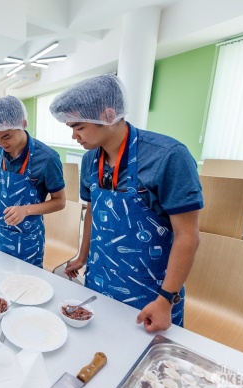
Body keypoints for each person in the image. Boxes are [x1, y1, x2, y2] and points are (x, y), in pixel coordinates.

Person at [49, 74, 202, 333]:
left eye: (79, 127)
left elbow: (187, 235)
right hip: (99, 279)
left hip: (151, 292)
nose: (74, 136)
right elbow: (93, 212)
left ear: (108, 116)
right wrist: (83, 256)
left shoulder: (168, 157)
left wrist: (166, 299)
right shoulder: (90, 160)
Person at [0, 96, 66, 268]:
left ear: (23, 124)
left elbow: (60, 202)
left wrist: (26, 210)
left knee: (26, 282)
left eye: (6, 136)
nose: (1, 143)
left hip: (27, 240)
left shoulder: (47, 158)